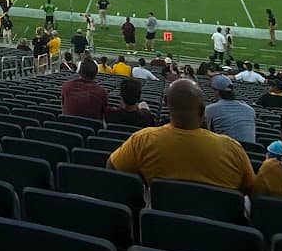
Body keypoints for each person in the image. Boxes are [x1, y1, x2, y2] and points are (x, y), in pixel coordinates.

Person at [108, 78, 254, 191]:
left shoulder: (143, 139)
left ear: (166, 103)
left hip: (159, 219)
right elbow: (252, 191)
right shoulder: (232, 148)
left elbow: (112, 168)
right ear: (202, 110)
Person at [203, 80, 257, 146]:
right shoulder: (250, 109)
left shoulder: (210, 109)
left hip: (225, 149)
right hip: (251, 151)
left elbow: (208, 134)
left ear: (217, 92)